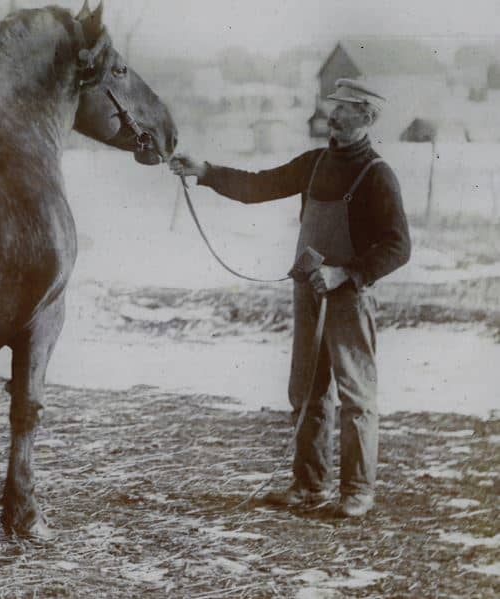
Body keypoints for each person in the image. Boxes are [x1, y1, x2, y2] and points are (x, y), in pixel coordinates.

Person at [169, 79, 411, 517]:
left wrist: (347, 273)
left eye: (344, 109)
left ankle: (357, 490)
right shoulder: (315, 162)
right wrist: (204, 171)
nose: (331, 114)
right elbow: (259, 186)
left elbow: (398, 247)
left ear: (368, 118)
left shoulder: (377, 174)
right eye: (332, 106)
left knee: (356, 395)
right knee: (307, 390)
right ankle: (309, 484)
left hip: (348, 297)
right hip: (307, 292)